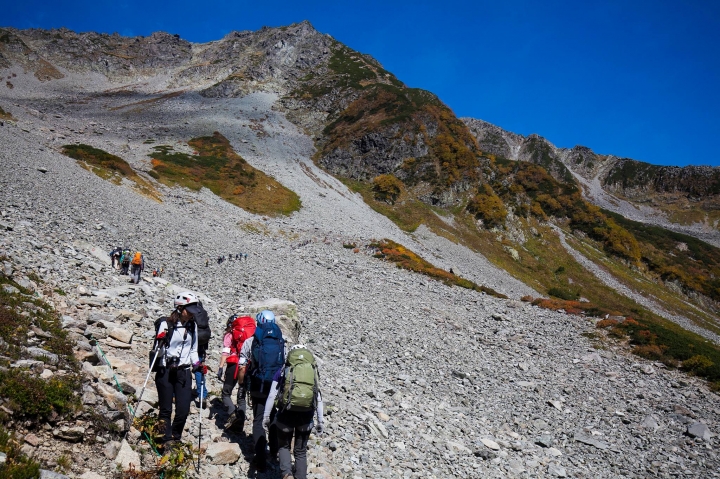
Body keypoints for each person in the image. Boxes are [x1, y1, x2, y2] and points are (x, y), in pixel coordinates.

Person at [263, 344, 324, 479]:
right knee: (301, 451)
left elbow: (272, 395)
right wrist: (320, 421)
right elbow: (318, 397)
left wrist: (266, 416)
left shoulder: (283, 370)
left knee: (284, 446)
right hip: (306, 416)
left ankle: (287, 474)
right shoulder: (313, 371)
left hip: (286, 414)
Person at [154, 293, 206, 448]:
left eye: (193, 311)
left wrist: (197, 364)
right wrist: (161, 342)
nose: (191, 314)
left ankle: (176, 437)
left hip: (183, 372)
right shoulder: (166, 324)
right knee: (166, 409)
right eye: (188, 310)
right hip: (165, 370)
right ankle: (165, 439)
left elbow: (193, 350)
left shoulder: (192, 326)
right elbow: (158, 352)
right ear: (180, 308)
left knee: (183, 410)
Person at [238, 310, 285, 472]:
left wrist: (242, 384)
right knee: (272, 415)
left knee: (258, 419)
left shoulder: (251, 341)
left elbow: (242, 366)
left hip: (258, 385)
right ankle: (274, 451)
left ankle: (261, 459)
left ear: (259, 323)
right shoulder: (281, 341)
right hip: (275, 385)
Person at [218, 314, 255, 430]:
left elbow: (225, 352)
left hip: (234, 365)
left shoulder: (230, 334)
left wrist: (220, 367)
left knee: (226, 392)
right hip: (247, 366)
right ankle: (240, 424)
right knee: (241, 395)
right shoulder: (251, 335)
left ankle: (233, 413)